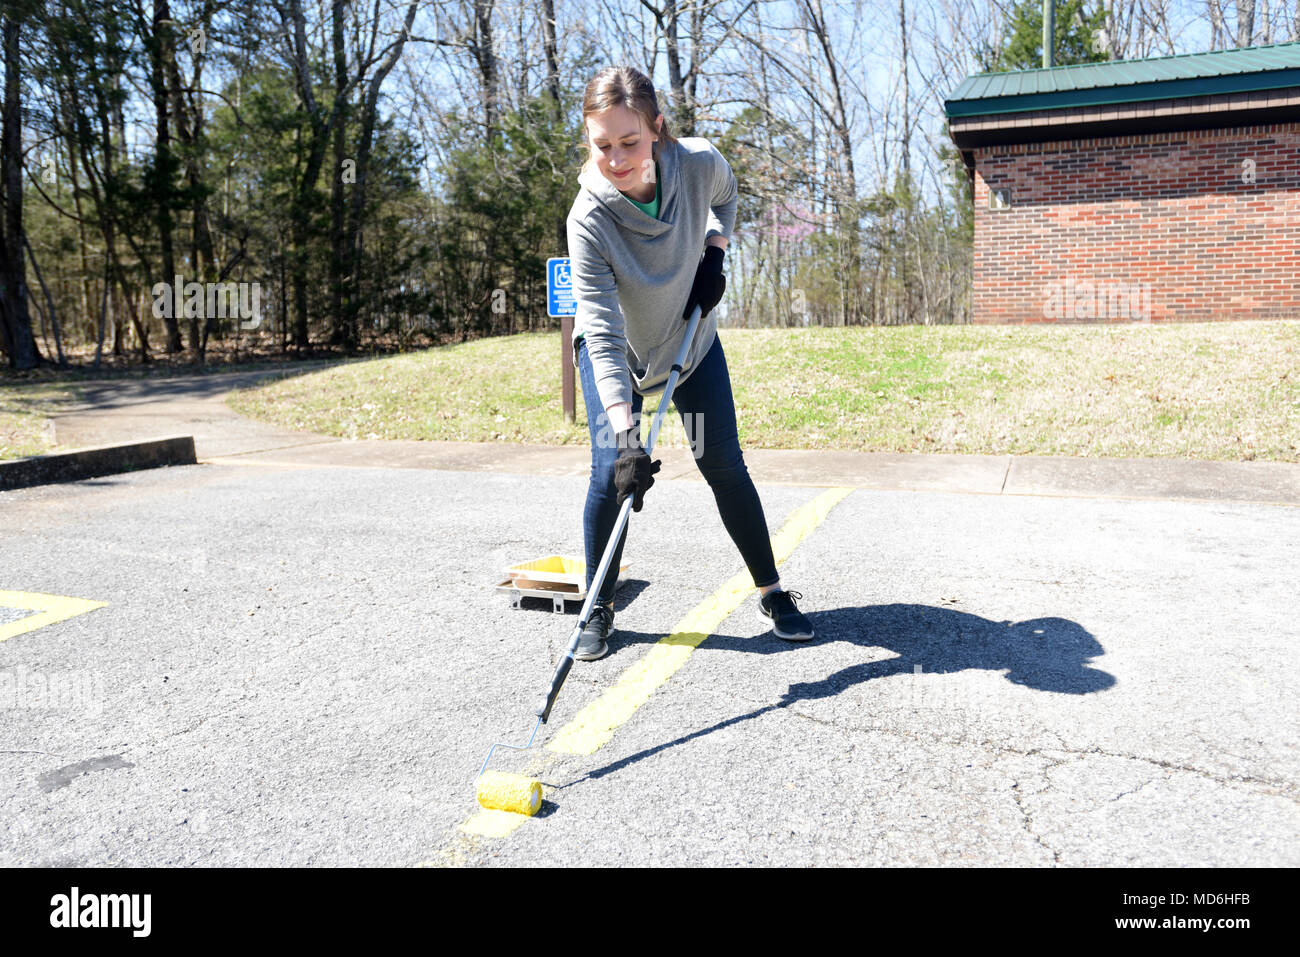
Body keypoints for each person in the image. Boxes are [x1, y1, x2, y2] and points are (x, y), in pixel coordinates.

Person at [566, 65, 813, 662]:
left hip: (690, 341)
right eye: (603, 147)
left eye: (630, 142)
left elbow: (727, 199)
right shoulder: (589, 219)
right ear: (589, 141)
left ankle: (773, 591)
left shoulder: (698, 163)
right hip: (617, 358)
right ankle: (598, 604)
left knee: (723, 463)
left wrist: (715, 253)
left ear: (656, 129)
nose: (618, 159)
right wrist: (627, 435)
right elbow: (599, 329)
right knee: (609, 472)